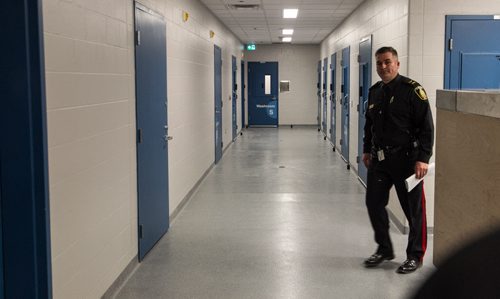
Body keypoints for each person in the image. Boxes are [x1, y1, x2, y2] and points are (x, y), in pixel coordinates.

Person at [362, 47, 434, 274]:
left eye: (387, 62)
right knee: (373, 203)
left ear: (397, 63)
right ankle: (384, 248)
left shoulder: (412, 91)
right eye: (379, 63)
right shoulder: (375, 92)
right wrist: (366, 150)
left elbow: (426, 127)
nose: (383, 67)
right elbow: (369, 126)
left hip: (407, 160)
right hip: (380, 160)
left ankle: (415, 255)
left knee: (413, 210)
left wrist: (423, 158)